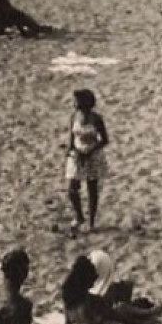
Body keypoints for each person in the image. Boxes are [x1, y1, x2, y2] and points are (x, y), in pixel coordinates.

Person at [64, 89, 110, 234]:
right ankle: (79, 216)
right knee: (72, 189)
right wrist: (71, 150)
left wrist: (91, 151)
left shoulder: (96, 119)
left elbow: (104, 140)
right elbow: (71, 136)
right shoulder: (74, 117)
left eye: (76, 100)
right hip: (77, 154)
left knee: (92, 189)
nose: (73, 103)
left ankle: (91, 221)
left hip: (93, 155)